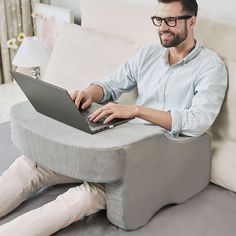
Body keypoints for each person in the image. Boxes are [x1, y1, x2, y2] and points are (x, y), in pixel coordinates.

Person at [0, 0, 227, 235]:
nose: (162, 27)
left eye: (171, 20)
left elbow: (199, 121)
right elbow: (111, 85)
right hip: (118, 143)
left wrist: (136, 110)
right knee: (29, 166)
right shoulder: (149, 54)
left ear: (192, 21)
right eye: (158, 20)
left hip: (156, 156)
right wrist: (88, 92)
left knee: (83, 197)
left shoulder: (210, 67)